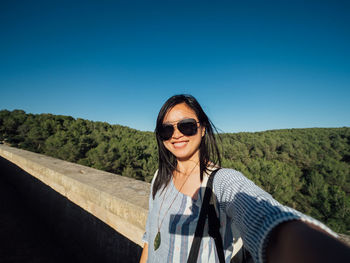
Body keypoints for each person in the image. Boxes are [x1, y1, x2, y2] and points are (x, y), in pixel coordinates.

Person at [139, 94, 350, 263]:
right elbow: (150, 236)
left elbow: (264, 217)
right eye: (167, 129)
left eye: (186, 125)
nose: (176, 135)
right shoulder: (160, 177)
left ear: (202, 128)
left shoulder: (221, 181)